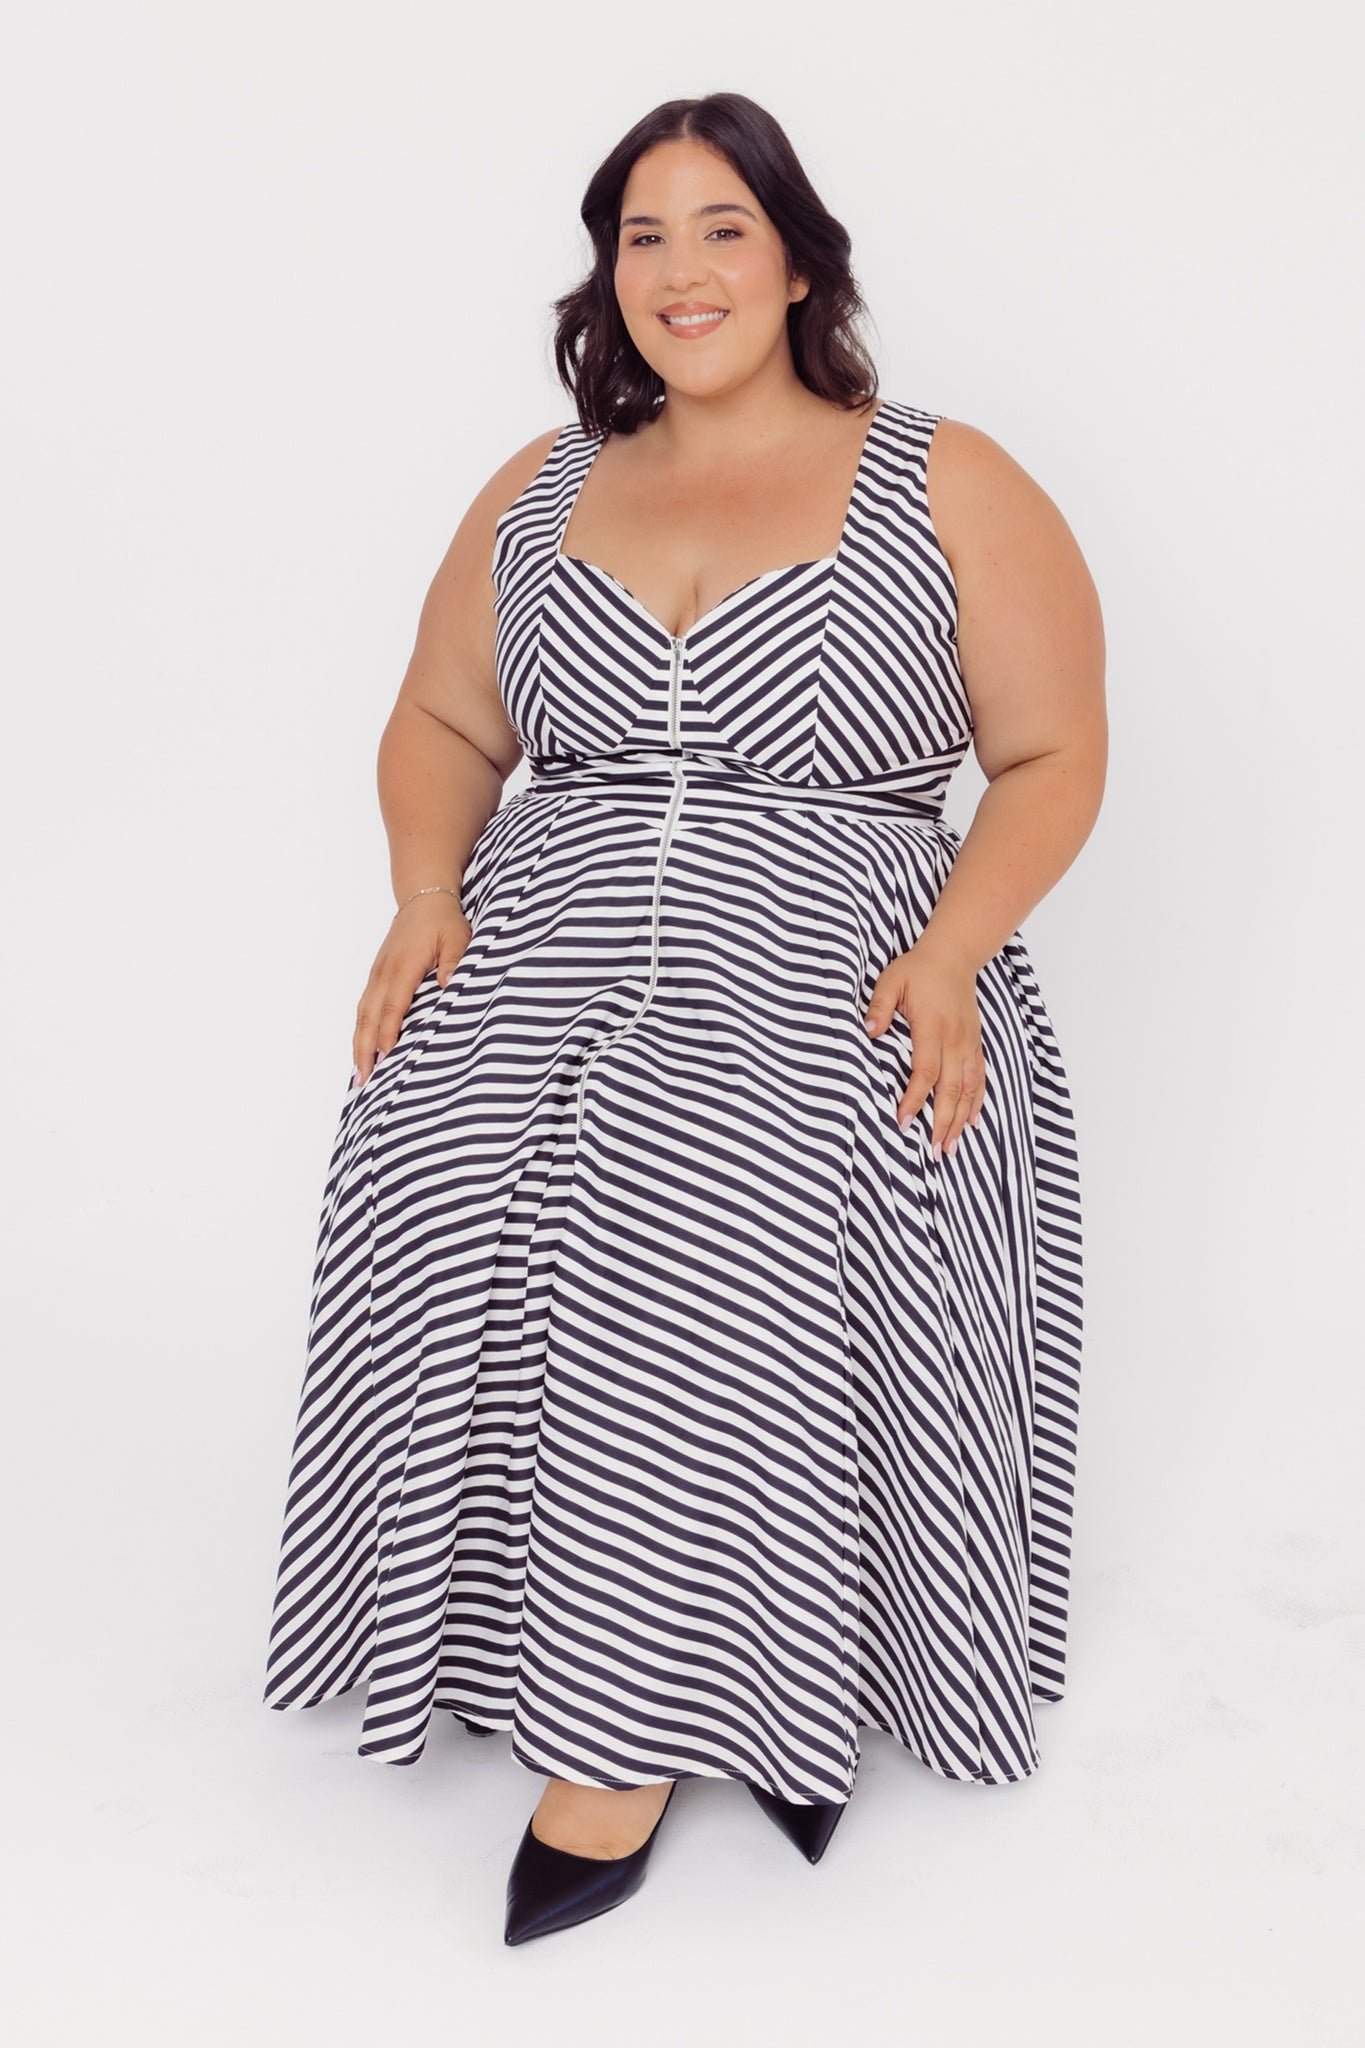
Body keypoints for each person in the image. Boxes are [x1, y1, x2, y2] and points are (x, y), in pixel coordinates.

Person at [261, 91, 1107, 1947]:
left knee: (710, 1191)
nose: (679, 271)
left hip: (845, 943)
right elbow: (444, 723)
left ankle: (644, 1726)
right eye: (642, 238)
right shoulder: (546, 483)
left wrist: (956, 951)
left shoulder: (945, 477)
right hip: (557, 932)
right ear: (609, 279)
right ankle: (533, 1627)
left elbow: (1049, 757)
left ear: (798, 260)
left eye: (721, 228)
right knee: (423, 1153)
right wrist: (423, 894)